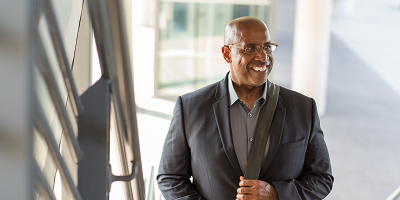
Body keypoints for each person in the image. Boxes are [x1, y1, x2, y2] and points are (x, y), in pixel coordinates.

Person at [157, 16, 333, 200]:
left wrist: (276, 194)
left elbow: (322, 178)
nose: (263, 57)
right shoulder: (190, 108)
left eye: (267, 47)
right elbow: (170, 178)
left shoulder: (304, 108)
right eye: (250, 48)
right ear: (227, 54)